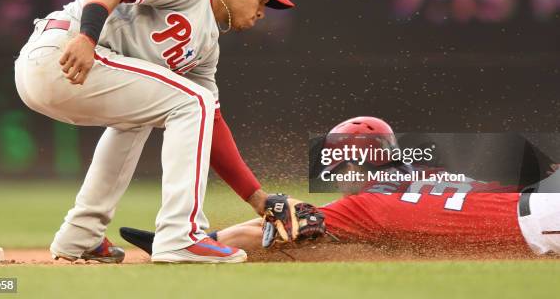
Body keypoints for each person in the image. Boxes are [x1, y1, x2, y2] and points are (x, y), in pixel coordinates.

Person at [14, 0, 295, 264]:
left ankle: (80, 235)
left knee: (154, 113)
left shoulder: (206, 48)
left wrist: (258, 199)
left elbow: (210, 124)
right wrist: (87, 37)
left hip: (70, 69)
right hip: (64, 51)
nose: (263, 11)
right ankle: (180, 236)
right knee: (191, 101)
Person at [120, 117, 560, 257]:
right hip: (539, 206)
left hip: (539, 222)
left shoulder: (365, 207)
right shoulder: (430, 178)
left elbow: (270, 231)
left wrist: (188, 243)